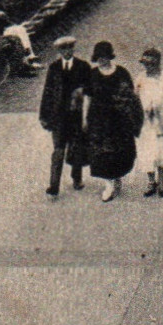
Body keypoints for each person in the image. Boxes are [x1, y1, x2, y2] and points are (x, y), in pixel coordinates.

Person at [83, 42, 143, 202]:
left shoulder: (122, 73)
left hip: (119, 120)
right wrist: (85, 119)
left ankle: (116, 177)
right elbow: (88, 97)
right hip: (98, 120)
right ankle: (108, 184)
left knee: (120, 151)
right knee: (101, 152)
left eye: (104, 57)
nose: (101, 60)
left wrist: (132, 119)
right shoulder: (93, 74)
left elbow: (130, 97)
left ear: (110, 56)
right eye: (98, 57)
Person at [39, 36, 91, 197]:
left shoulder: (83, 66)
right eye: (63, 49)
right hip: (59, 118)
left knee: (77, 149)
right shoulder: (54, 68)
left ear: (73, 49)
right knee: (58, 151)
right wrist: (44, 116)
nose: (67, 51)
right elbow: (48, 92)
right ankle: (54, 185)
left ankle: (77, 179)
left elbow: (91, 90)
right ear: (60, 51)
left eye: (69, 48)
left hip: (77, 116)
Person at [133, 48, 163, 198]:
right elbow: (134, 96)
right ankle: (150, 181)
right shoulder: (141, 78)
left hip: (162, 122)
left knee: (161, 151)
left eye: (151, 64)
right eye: (145, 64)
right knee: (147, 152)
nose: (148, 67)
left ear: (158, 63)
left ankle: (161, 180)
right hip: (145, 122)